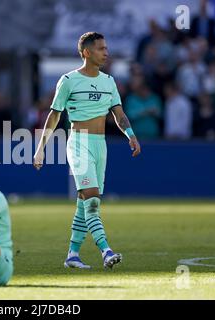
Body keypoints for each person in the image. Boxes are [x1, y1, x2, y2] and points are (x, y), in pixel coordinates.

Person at [33, 32, 141, 269]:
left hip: (100, 145)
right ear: (86, 52)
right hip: (78, 143)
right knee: (92, 199)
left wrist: (131, 136)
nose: (106, 53)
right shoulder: (68, 80)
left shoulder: (109, 81)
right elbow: (54, 115)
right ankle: (106, 251)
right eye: (101, 48)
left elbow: (119, 114)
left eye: (106, 48)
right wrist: (41, 148)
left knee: (85, 202)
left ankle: (72, 255)